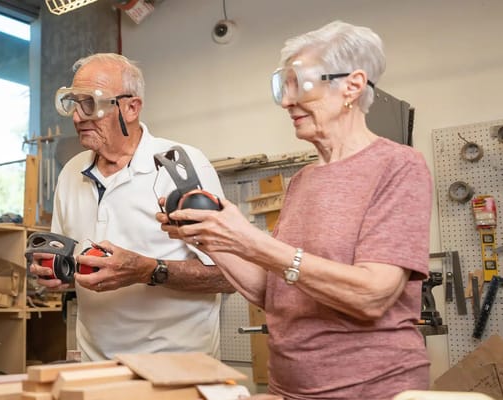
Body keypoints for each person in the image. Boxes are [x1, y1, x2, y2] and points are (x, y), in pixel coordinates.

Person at [159, 21, 431, 399]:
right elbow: (274, 292)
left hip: (370, 390)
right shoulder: (304, 180)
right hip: (290, 389)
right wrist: (211, 235)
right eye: (281, 87)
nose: (286, 102)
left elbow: (372, 295)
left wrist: (250, 240)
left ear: (351, 86)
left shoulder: (399, 165)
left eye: (299, 85)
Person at [30, 53, 234, 362]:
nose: (76, 117)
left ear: (131, 107)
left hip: (177, 368)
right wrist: (60, 274)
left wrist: (148, 270)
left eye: (91, 103)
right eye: (73, 103)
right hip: (96, 367)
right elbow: (73, 264)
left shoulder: (181, 166)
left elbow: (230, 275)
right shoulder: (71, 172)